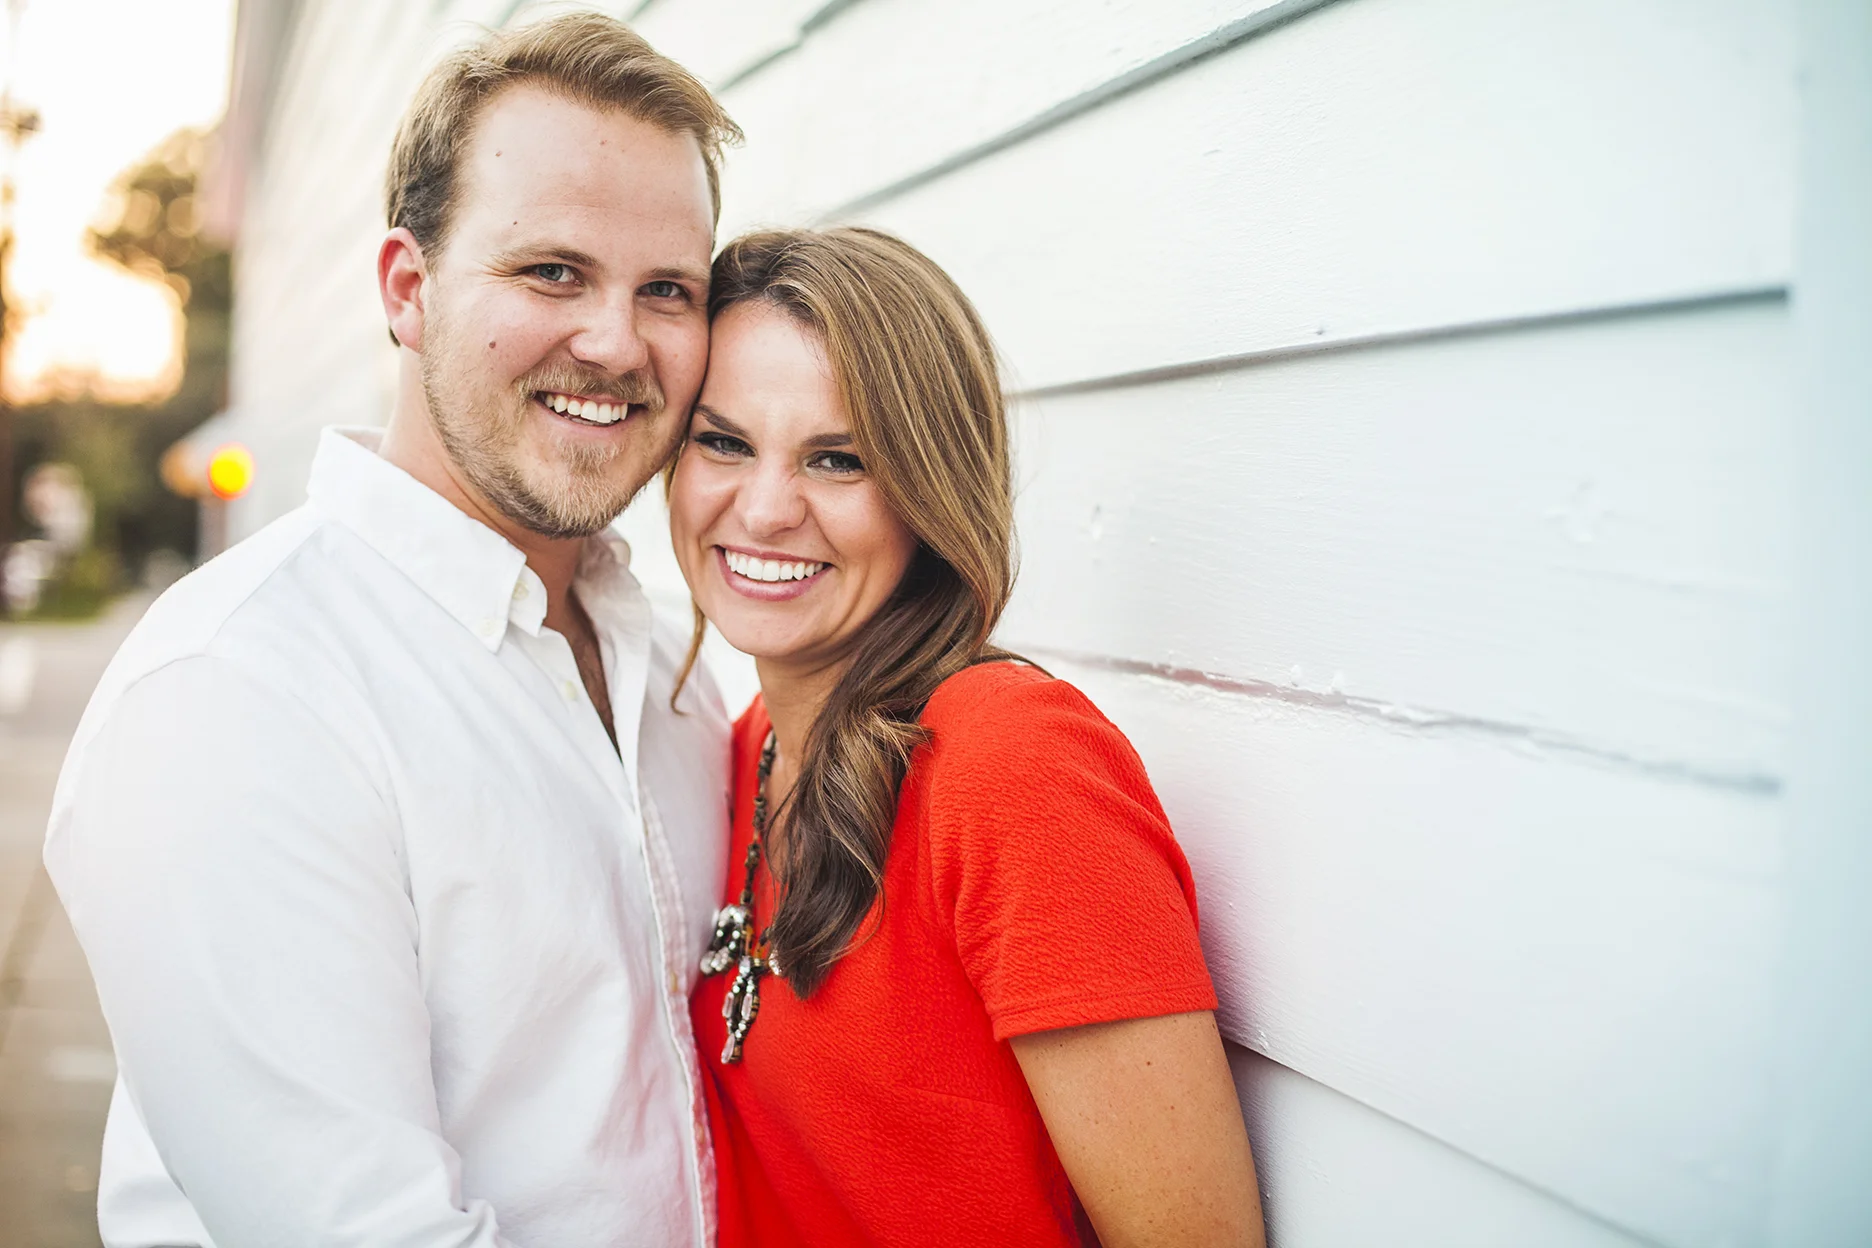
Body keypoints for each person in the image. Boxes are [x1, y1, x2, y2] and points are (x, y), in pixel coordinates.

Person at [45, 15, 740, 1246]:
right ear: (408, 291)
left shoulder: (678, 679)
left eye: (667, 291)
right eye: (552, 272)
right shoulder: (238, 691)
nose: (616, 342)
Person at [670, 227, 1267, 1247]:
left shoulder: (1011, 762)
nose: (763, 510)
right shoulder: (738, 750)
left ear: (929, 491)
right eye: (723, 442)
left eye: (838, 459)